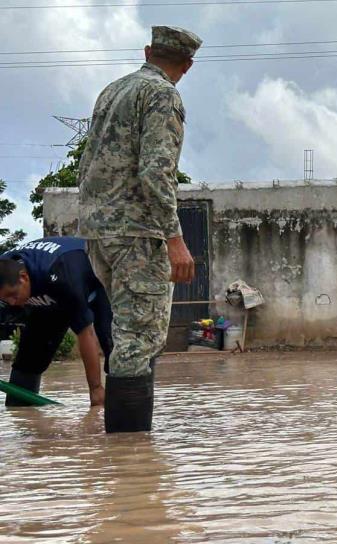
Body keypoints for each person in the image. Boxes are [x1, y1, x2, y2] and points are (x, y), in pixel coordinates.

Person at [77, 26, 201, 433]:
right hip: (136, 235)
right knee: (138, 340)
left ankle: (128, 466)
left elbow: (88, 161)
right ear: (187, 65)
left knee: (127, 331)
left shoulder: (112, 91)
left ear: (148, 51)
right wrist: (175, 238)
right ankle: (130, 464)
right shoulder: (163, 95)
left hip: (99, 232)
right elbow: (155, 171)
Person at [0, 237, 112, 407]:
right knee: (28, 360)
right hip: (45, 295)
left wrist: (95, 389)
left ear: (23, 278)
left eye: (13, 295)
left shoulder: (63, 276)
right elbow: (12, 300)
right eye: (6, 299)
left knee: (114, 346)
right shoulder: (6, 273)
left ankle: (123, 410)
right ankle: (22, 418)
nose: (12, 303)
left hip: (93, 286)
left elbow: (86, 333)